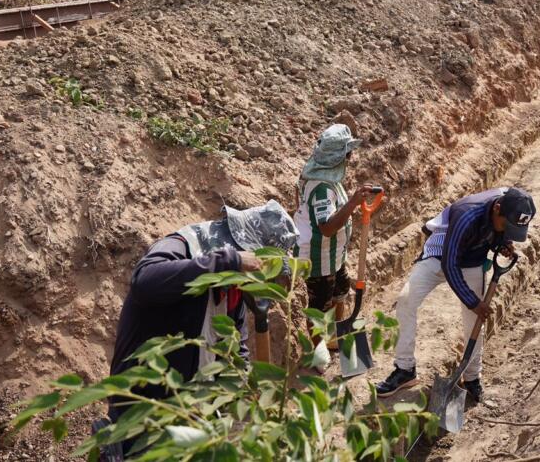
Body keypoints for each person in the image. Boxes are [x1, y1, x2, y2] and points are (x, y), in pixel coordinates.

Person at [102, 201, 298, 457]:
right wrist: (228, 261)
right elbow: (144, 282)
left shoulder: (232, 291)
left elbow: (235, 350)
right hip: (142, 414)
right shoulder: (182, 247)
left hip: (189, 418)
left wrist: (247, 401)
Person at [376, 187, 537, 403]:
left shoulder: (509, 203)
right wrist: (473, 302)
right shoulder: (467, 214)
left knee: (474, 322)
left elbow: (500, 228)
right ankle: (404, 369)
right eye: (506, 226)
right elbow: (449, 264)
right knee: (406, 300)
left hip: (473, 258)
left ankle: (472, 378)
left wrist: (504, 242)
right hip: (442, 252)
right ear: (497, 208)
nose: (508, 231)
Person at [294, 124, 376, 329]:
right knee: (319, 307)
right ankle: (317, 356)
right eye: (348, 154)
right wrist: (353, 203)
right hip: (317, 260)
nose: (350, 158)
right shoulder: (322, 188)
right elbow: (327, 229)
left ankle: (336, 334)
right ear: (340, 158)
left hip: (332, 256)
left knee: (341, 290)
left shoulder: (329, 179)